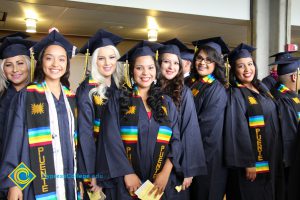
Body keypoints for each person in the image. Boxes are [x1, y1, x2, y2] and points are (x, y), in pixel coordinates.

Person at [95, 40, 183, 199]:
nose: (145, 73)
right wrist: (127, 173)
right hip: (126, 184)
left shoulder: (166, 103)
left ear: (156, 71)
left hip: (159, 184)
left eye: (150, 68)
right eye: (139, 68)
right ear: (132, 71)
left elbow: (176, 140)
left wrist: (165, 172)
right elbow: (110, 139)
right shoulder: (118, 100)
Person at [0, 29, 79, 199]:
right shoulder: (27, 95)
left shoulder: (72, 98)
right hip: (36, 178)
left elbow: (76, 143)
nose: (55, 64)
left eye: (61, 59)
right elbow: (14, 142)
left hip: (68, 178)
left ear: (66, 64)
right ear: (41, 61)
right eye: (49, 58)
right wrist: (14, 183)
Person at [224, 43, 284, 200]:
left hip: (271, 153)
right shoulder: (235, 94)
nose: (247, 69)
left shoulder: (261, 87)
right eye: (241, 66)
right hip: (253, 160)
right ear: (234, 70)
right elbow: (236, 129)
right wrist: (248, 162)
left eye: (250, 64)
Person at [76, 29, 123, 197]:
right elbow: (85, 136)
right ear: (94, 61)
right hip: (98, 162)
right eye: (101, 58)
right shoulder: (86, 90)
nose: (107, 63)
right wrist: (92, 173)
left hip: (120, 162)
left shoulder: (120, 86)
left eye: (111, 57)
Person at [158, 38, 207, 197]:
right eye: (166, 62)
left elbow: (189, 129)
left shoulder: (184, 92)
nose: (171, 67)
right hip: (152, 158)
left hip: (176, 163)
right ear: (158, 64)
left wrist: (189, 170)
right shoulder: (150, 89)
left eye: (176, 63)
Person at [189, 37, 229, 200]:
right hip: (195, 156)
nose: (202, 63)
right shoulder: (194, 84)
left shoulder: (216, 89)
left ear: (216, 63)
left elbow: (206, 128)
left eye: (208, 59)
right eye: (199, 58)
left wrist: (190, 159)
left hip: (207, 159)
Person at [0, 35, 35, 199]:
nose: (15, 70)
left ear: (29, 65)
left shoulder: (38, 98)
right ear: (3, 69)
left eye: (20, 63)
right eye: (9, 65)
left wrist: (17, 182)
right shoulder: (2, 100)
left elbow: (34, 146)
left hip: (32, 173)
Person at [269, 58, 300, 198]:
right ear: (294, 76)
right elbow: (289, 136)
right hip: (290, 163)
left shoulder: (290, 96)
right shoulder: (283, 99)